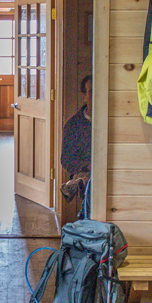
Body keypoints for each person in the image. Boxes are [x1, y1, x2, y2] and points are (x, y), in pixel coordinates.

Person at [60, 75, 92, 218]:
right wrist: (87, 166)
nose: (96, 96)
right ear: (84, 96)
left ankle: (77, 183)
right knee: (90, 183)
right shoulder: (73, 125)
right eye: (91, 91)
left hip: (109, 171)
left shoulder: (111, 121)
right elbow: (66, 160)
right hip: (85, 169)